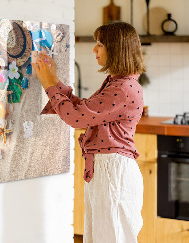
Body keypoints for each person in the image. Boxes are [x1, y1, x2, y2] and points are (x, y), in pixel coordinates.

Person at [33, 21, 145, 243]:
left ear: (116, 49)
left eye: (100, 44)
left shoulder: (122, 88)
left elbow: (76, 118)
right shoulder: (118, 83)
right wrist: (54, 81)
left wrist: (48, 85)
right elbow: (84, 110)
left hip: (113, 172)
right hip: (108, 170)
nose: (94, 49)